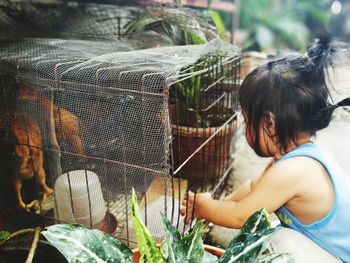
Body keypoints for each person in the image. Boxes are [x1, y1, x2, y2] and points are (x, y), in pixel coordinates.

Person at [180, 38, 350, 262]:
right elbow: (253, 188)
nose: (244, 128)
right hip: (328, 248)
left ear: (269, 124)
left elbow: (241, 216)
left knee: (277, 240)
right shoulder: (296, 157)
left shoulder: (293, 170)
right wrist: (218, 205)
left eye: (247, 120)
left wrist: (204, 207)